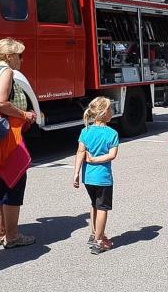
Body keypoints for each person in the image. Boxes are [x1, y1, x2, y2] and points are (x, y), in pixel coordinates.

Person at [0, 38, 37, 248]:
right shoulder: (6, 71)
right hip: (8, 136)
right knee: (14, 182)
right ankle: (12, 237)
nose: (22, 60)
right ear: (9, 56)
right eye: (19, 55)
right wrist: (24, 114)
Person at [73, 97, 119, 255]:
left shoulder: (85, 131)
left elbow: (80, 152)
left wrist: (76, 173)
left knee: (94, 204)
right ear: (105, 113)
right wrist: (95, 159)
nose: (112, 112)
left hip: (88, 177)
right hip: (103, 178)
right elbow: (112, 155)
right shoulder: (111, 133)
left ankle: (94, 233)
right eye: (110, 109)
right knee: (102, 208)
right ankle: (99, 241)